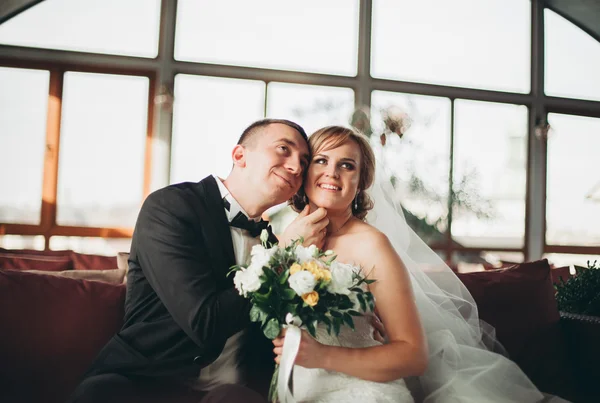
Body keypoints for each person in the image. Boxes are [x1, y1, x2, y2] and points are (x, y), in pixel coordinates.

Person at [273, 125, 569, 402]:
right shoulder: (282, 238)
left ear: (362, 181)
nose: (332, 173)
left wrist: (322, 356)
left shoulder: (372, 245)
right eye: (321, 161)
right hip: (294, 388)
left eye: (347, 165)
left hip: (362, 390)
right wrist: (286, 247)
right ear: (304, 170)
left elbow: (413, 355)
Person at [68, 118, 330, 403]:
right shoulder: (171, 207)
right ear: (239, 155)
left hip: (235, 392)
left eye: (304, 162)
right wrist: (285, 251)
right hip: (142, 381)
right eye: (283, 149)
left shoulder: (273, 239)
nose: (296, 167)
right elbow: (205, 323)